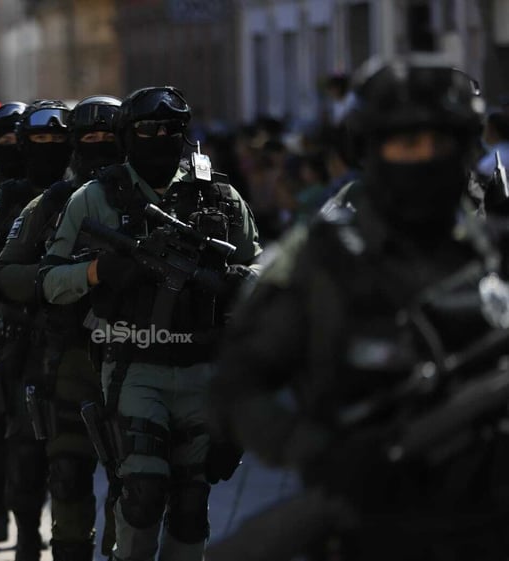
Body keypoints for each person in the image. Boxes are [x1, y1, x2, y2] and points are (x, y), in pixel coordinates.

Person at [208, 56, 509, 561]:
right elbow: (235, 390)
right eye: (406, 144)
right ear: (371, 149)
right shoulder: (321, 261)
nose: (425, 158)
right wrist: (316, 451)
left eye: (440, 143)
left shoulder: (495, 253)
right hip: (376, 524)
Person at [41, 86, 260, 561]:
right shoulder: (95, 199)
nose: (159, 138)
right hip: (134, 363)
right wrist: (101, 271)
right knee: (141, 495)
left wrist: (241, 281)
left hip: (204, 366)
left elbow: (262, 269)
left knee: (190, 504)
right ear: (127, 136)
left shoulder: (219, 196)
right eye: (147, 130)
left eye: (170, 131)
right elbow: (50, 281)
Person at [0, 95, 124, 561]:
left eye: (110, 138)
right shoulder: (53, 203)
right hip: (64, 356)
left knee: (143, 489)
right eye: (89, 138)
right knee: (63, 472)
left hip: (142, 359)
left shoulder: (161, 202)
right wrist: (68, 279)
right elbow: (2, 275)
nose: (100, 147)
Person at [0, 99, 73, 559]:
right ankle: (25, 531)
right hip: (19, 340)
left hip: (78, 341)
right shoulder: (4, 200)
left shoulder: (87, 196)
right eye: (38, 141)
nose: (47, 150)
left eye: (57, 141)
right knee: (23, 448)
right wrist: (31, 279)